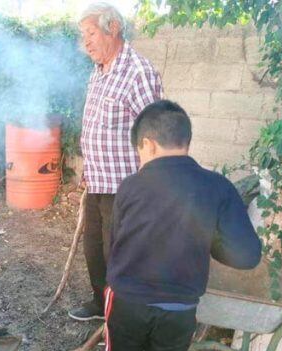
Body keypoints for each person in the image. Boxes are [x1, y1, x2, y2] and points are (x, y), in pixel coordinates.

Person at [98, 100, 262, 351]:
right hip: (179, 311)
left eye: (139, 153)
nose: (140, 160)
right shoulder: (217, 187)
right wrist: (209, 241)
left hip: (127, 303)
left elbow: (113, 245)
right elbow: (247, 256)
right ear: (185, 141)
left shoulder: (130, 186)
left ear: (148, 144)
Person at [69, 2, 164, 321]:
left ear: (113, 29)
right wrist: (86, 170)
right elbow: (96, 128)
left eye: (92, 33)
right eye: (83, 35)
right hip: (97, 182)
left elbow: (156, 134)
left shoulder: (138, 73)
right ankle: (102, 304)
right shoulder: (98, 73)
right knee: (94, 251)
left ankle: (125, 317)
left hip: (124, 188)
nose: (86, 42)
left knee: (122, 256)